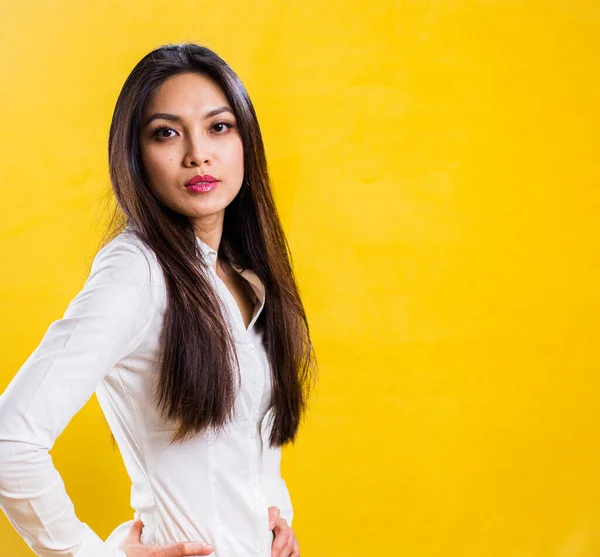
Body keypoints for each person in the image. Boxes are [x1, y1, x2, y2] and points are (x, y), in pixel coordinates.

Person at [0, 42, 317, 557]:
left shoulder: (243, 277)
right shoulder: (137, 273)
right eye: (166, 133)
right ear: (135, 154)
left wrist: (273, 517)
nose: (198, 154)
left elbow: (243, 442)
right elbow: (9, 440)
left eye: (219, 127)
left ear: (246, 142)